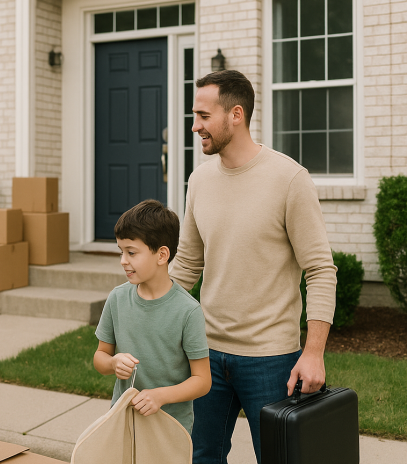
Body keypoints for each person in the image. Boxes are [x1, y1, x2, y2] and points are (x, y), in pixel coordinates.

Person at [171, 70, 337, 463]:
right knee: (200, 455)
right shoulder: (199, 180)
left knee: (280, 458)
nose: (194, 126)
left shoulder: (289, 179)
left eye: (202, 116)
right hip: (206, 352)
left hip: (272, 359)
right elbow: (187, 264)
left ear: (236, 114)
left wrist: (313, 352)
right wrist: (143, 311)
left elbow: (320, 270)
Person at [93, 199, 211, 434]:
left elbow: (202, 380)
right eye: (121, 251)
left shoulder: (187, 311)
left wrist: (160, 396)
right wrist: (113, 363)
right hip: (123, 422)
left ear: (162, 255)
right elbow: (100, 357)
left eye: (131, 252)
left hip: (169, 430)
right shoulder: (117, 299)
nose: (123, 260)